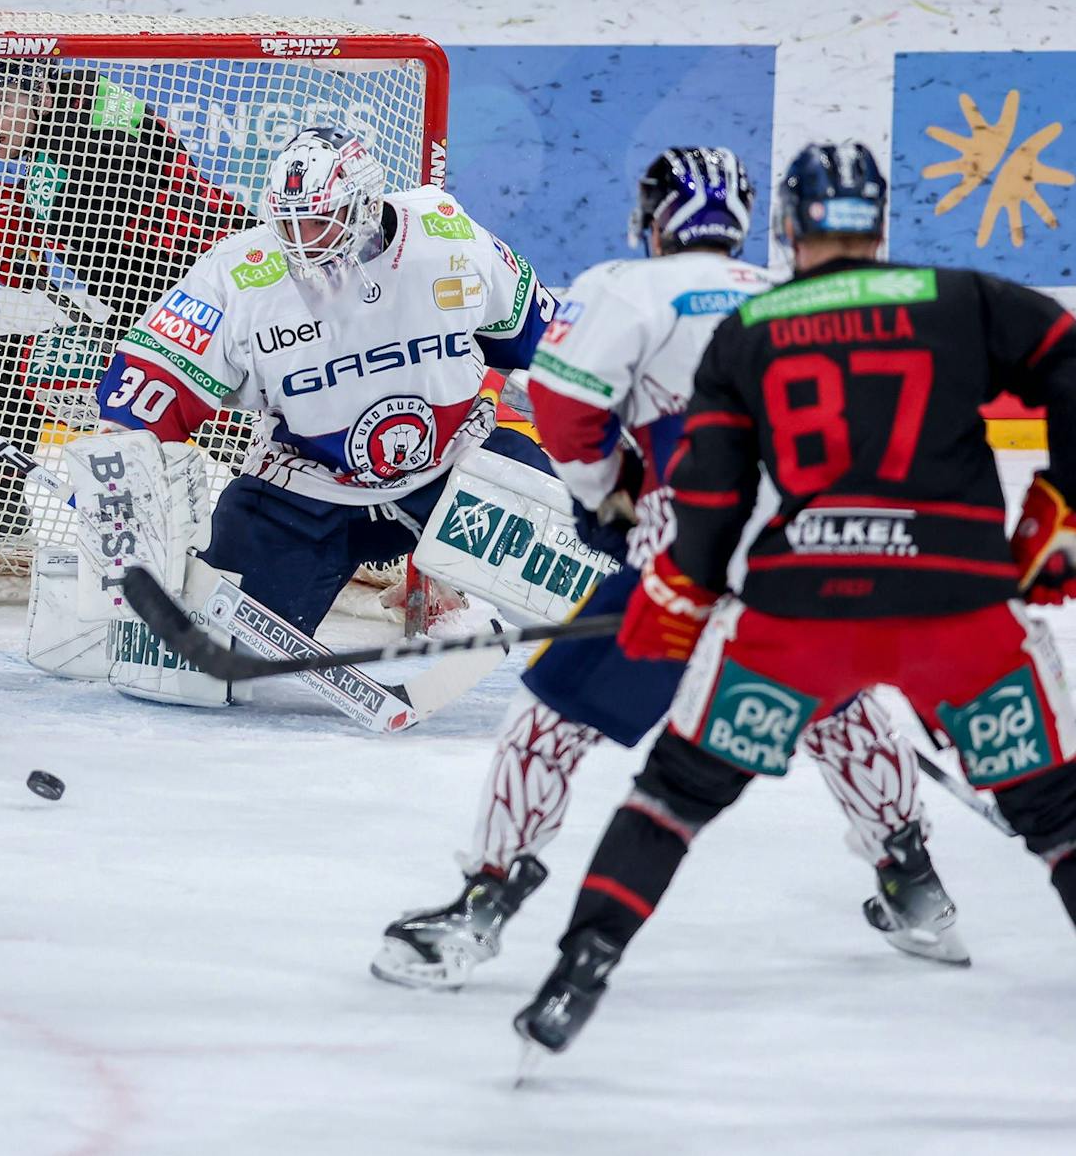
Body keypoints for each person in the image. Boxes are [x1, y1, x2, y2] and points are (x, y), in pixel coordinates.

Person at [515, 140, 1076, 1058]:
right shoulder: (965, 299)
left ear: (789, 228)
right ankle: (919, 869)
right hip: (960, 616)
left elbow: (709, 495)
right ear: (882, 224)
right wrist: (1064, 500)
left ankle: (578, 969)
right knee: (1059, 817)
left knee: (675, 795)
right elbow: (1067, 358)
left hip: (797, 619)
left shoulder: (755, 326)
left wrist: (679, 586)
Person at [370, 147, 968, 991]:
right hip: (798, 572)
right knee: (838, 709)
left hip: (681, 570)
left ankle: (482, 907)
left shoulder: (628, 287)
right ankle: (915, 884)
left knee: (548, 725)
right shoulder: (798, 297)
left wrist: (609, 504)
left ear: (654, 216)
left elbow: (571, 414)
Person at [86, 125, 557, 636]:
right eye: (289, 225)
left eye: (319, 221)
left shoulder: (449, 235)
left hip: (456, 464)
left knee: (579, 573)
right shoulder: (237, 273)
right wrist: (116, 473)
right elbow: (151, 388)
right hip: (309, 488)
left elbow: (542, 336)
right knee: (224, 642)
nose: (302, 242)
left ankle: (459, 583)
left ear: (365, 206)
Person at [0, 58, 257, 538]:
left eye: (1, 100)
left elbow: (129, 207)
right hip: (211, 305)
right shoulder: (96, 100)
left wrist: (29, 225)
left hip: (193, 324)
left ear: (41, 95)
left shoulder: (62, 159)